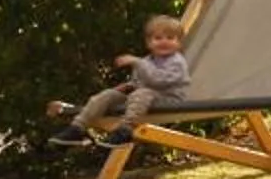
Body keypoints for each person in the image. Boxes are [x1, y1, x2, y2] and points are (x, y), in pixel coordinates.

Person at [48, 15, 192, 146]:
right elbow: (138, 83)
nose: (164, 42)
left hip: (168, 99)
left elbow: (158, 81)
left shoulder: (177, 62)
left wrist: (137, 62)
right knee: (107, 95)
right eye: (158, 38)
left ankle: (126, 130)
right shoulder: (148, 61)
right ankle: (77, 128)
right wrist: (126, 87)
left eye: (170, 38)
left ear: (179, 43)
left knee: (142, 94)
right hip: (143, 100)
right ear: (149, 43)